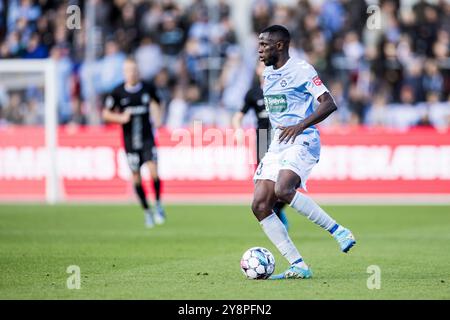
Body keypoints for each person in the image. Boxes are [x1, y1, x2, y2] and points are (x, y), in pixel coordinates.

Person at [253, 25, 356, 280]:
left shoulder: (301, 70)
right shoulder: (267, 74)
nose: (259, 49)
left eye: (264, 45)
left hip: (304, 138)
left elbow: (329, 103)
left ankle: (338, 231)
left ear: (280, 45)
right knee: (260, 205)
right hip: (279, 141)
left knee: (283, 190)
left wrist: (300, 125)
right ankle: (298, 264)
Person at [103, 57, 166, 228]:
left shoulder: (147, 88)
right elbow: (106, 114)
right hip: (130, 141)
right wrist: (120, 118)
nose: (131, 73)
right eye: (128, 70)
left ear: (138, 72)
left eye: (134, 70)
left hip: (147, 138)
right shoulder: (117, 92)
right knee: (136, 178)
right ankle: (147, 211)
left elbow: (159, 103)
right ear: (124, 73)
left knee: (154, 171)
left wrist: (158, 117)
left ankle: (158, 204)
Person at [232, 61, 289, 230]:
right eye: (261, 66)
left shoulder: (281, 90)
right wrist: (238, 130)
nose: (264, 69)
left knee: (286, 181)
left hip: (281, 137)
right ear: (257, 70)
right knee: (263, 182)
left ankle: (278, 209)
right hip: (263, 138)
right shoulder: (253, 94)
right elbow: (237, 116)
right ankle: (274, 211)